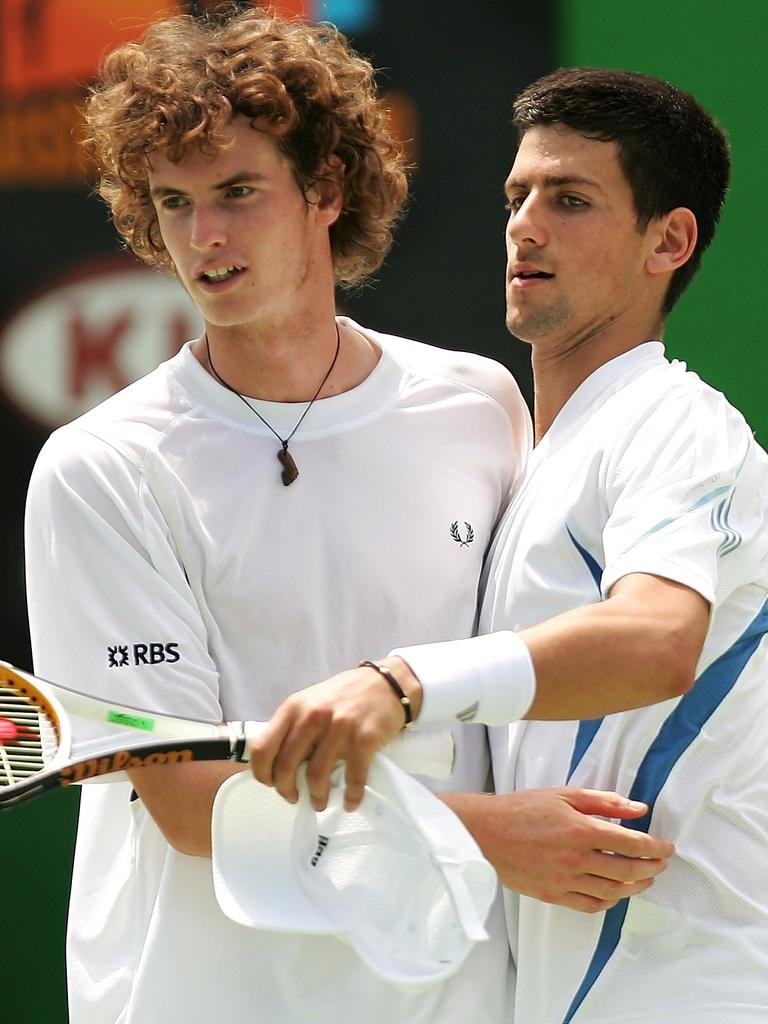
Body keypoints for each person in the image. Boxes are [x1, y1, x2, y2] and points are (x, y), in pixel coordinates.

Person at [23, 15, 671, 1024]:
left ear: (325, 189)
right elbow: (192, 802)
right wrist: (491, 836)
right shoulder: (101, 468)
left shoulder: (479, 406)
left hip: (449, 998)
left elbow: (520, 696)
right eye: (176, 203)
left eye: (239, 191)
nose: (207, 239)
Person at [252, 67, 768, 1022]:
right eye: (516, 195)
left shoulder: (677, 425)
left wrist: (398, 683)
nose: (526, 224)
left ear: (672, 241)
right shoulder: (541, 453)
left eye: (570, 200)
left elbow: (658, 639)